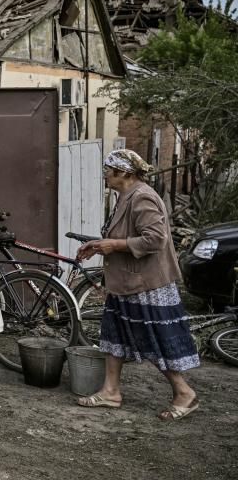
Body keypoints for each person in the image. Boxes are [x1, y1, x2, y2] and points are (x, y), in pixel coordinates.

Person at [75, 149, 200, 420]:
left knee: (153, 339)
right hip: (126, 282)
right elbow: (124, 235)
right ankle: (110, 392)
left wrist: (113, 244)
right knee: (114, 336)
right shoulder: (125, 197)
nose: (105, 175)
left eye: (109, 170)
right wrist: (99, 245)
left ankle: (184, 393)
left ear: (124, 173)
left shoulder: (142, 196)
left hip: (147, 286)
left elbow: (156, 239)